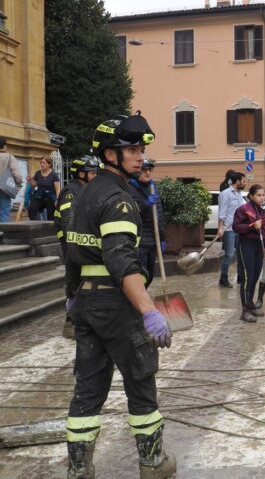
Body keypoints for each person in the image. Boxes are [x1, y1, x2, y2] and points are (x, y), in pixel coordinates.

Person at [64, 113, 175, 479]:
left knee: (88, 388)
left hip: (86, 303)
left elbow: (71, 250)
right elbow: (121, 260)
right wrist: (148, 311)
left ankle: (79, 469)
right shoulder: (119, 200)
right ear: (110, 154)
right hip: (117, 304)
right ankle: (153, 462)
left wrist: (71, 297)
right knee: (141, 381)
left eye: (141, 148)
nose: (140, 156)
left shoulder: (83, 194)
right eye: (133, 149)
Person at [55, 155, 99, 340]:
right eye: (92, 172)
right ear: (81, 173)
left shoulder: (84, 190)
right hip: (72, 246)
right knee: (74, 283)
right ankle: (70, 322)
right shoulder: (71, 192)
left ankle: (82, 320)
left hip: (81, 245)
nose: (95, 176)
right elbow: (67, 222)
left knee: (82, 282)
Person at [232, 184, 265, 322]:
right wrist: (251, 226)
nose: (262, 197)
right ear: (251, 196)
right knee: (247, 277)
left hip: (259, 246)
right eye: (259, 195)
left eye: (263, 195)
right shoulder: (243, 209)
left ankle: (250, 304)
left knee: (254, 277)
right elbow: (236, 227)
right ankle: (245, 310)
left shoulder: (262, 211)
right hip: (246, 245)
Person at [129, 159, 165, 287]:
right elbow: (131, 212)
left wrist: (162, 238)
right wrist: (145, 204)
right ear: (137, 172)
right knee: (141, 276)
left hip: (153, 241)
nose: (148, 173)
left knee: (149, 276)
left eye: (150, 170)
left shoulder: (153, 187)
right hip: (140, 242)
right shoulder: (130, 188)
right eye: (144, 170)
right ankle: (137, 303)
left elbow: (159, 215)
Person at [217, 172, 246, 288]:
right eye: (243, 181)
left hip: (239, 229)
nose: (245, 183)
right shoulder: (225, 194)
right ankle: (223, 279)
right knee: (229, 254)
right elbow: (222, 212)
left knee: (241, 254)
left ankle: (241, 278)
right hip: (229, 229)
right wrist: (220, 227)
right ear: (237, 181)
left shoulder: (239, 194)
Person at [27, 155, 61, 220]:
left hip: (50, 197)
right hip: (39, 196)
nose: (41, 164)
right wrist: (30, 179)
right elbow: (34, 184)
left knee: (51, 216)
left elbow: (58, 189)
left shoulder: (54, 175)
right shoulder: (38, 173)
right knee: (31, 209)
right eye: (41, 163)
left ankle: (50, 228)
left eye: (44, 163)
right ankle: (35, 225)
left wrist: (57, 200)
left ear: (49, 164)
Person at [0, 138, 23, 222]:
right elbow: (17, 174)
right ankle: (3, 233)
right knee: (4, 212)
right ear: (5, 146)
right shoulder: (10, 158)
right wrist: (19, 185)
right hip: (4, 189)